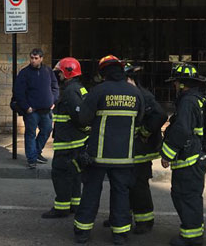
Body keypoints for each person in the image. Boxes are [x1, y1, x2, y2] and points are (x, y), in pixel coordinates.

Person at [73, 55, 144, 245]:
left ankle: (82, 232)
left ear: (103, 73)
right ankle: (120, 234)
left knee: (91, 192)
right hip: (124, 156)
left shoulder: (98, 91)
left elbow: (83, 119)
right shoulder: (135, 93)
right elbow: (139, 120)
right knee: (121, 194)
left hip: (97, 155)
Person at [160, 63, 206, 246]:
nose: (174, 86)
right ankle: (194, 232)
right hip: (196, 155)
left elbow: (181, 130)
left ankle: (191, 237)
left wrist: (167, 154)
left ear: (181, 84)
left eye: (176, 82)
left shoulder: (188, 101)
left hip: (190, 158)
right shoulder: (197, 98)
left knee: (185, 196)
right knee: (191, 196)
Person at [121, 63, 167, 234]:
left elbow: (160, 115)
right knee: (126, 185)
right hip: (131, 149)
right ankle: (121, 217)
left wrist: (145, 132)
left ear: (129, 78)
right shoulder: (131, 94)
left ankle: (145, 222)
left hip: (142, 149)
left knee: (138, 186)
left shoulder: (143, 95)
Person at [42, 57, 89, 219]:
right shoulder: (79, 89)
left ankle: (61, 207)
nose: (58, 76)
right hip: (76, 140)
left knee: (60, 173)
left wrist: (83, 127)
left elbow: (79, 115)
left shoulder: (70, 92)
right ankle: (75, 204)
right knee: (74, 173)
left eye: (60, 73)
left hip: (68, 142)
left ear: (68, 73)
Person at [14, 48, 59, 168]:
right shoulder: (24, 73)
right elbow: (18, 92)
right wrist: (26, 107)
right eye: (32, 58)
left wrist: (53, 100)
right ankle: (32, 159)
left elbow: (55, 87)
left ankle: (37, 152)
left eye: (36, 58)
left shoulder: (48, 71)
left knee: (47, 130)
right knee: (30, 134)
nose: (33, 60)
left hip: (46, 109)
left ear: (41, 58)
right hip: (32, 111)